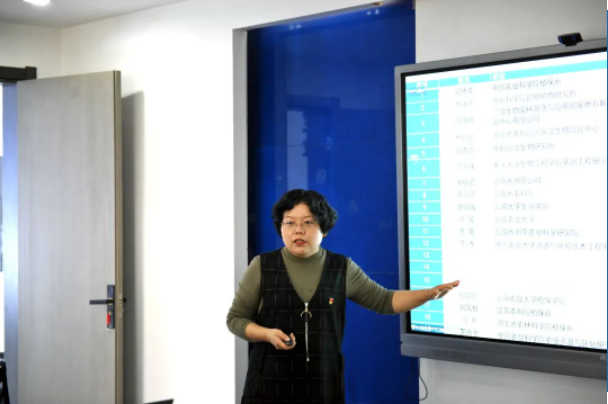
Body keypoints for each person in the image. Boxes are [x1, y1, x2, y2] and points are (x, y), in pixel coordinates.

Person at [227, 189, 459, 404]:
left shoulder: (341, 268)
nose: (298, 230)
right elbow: (236, 319)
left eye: (308, 222)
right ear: (280, 228)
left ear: (324, 229)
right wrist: (267, 334)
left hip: (323, 384)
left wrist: (426, 295)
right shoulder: (262, 266)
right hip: (269, 383)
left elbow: (384, 301)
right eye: (290, 222)